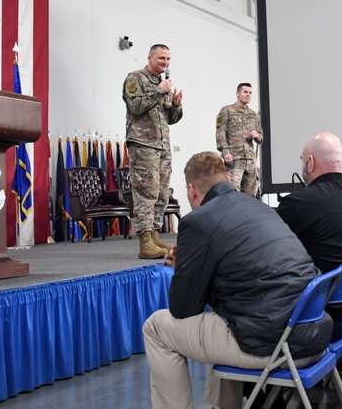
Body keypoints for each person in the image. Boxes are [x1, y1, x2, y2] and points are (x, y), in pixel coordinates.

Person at [142, 152, 331, 409]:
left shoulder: (197, 222)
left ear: (191, 190)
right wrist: (194, 264)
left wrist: (187, 269)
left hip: (272, 344)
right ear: (228, 179)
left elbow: (183, 308)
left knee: (156, 327)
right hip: (313, 336)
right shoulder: (260, 207)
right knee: (225, 318)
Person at [277, 133, 342, 335]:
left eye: (302, 161)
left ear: (310, 162)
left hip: (304, 324)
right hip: (340, 319)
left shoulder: (299, 203)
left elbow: (266, 250)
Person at [123, 44, 183, 259]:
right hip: (143, 144)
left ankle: (155, 235)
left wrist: (175, 104)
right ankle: (144, 240)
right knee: (146, 191)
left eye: (168, 59)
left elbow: (170, 118)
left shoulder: (162, 84)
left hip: (162, 146)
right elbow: (136, 107)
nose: (165, 62)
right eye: (161, 58)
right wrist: (160, 91)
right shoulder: (135, 78)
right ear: (150, 58)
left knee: (161, 193)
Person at [215, 82, 264, 197]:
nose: (248, 95)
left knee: (250, 195)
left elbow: (260, 137)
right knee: (232, 193)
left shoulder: (253, 115)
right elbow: (220, 133)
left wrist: (257, 136)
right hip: (234, 159)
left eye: (250, 93)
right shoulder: (227, 111)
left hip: (250, 160)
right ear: (237, 94)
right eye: (245, 92)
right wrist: (225, 152)